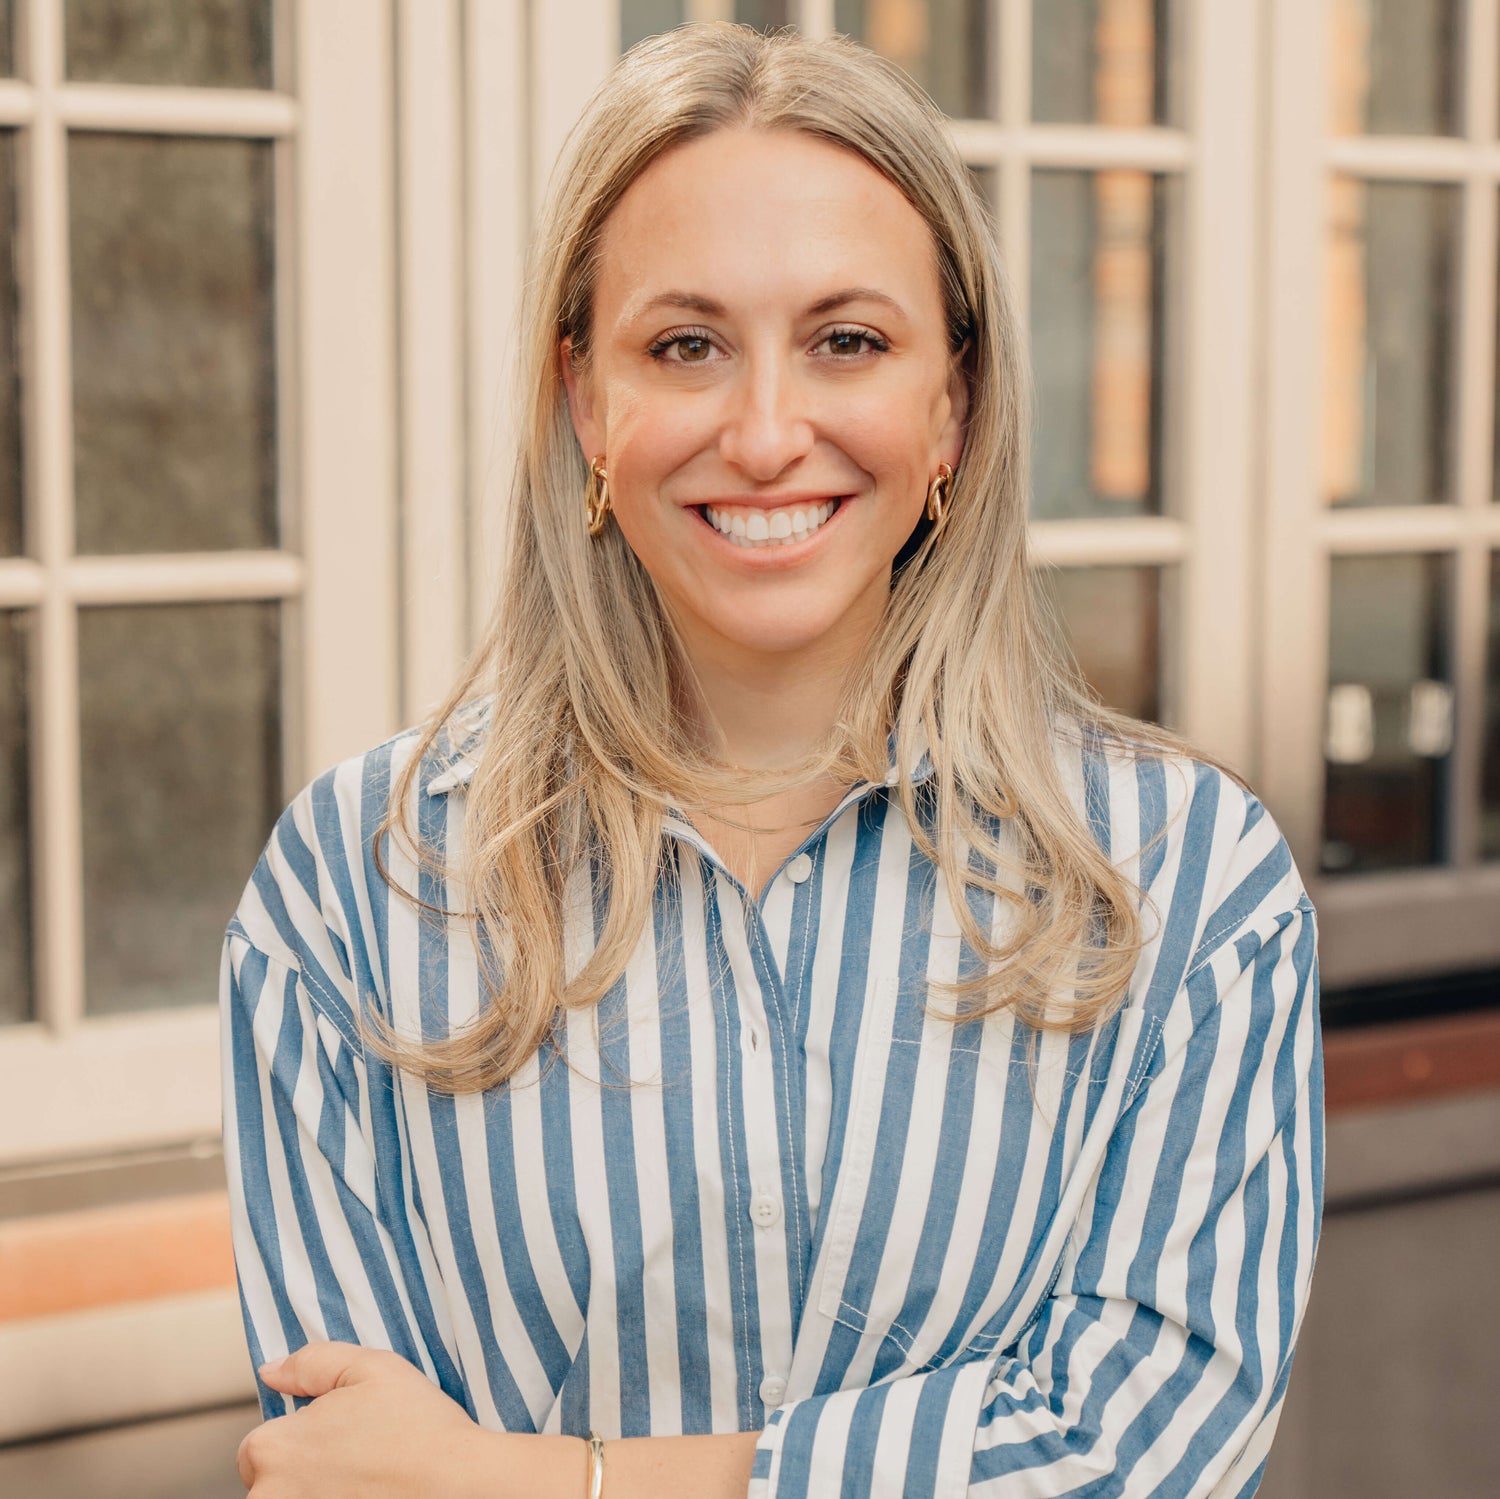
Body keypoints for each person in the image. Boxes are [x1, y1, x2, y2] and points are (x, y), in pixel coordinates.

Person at [223, 23, 1322, 1499]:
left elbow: (1136, 1457)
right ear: (584, 406)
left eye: (847, 341)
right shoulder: (357, 892)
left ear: (956, 407)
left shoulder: (1189, 885)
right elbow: (356, 1471)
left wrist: (544, 1481)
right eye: (685, 345)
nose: (762, 431)